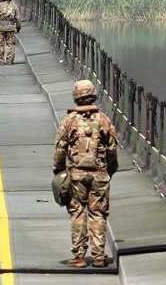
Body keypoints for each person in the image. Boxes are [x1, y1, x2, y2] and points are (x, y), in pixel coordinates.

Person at [53, 79, 119, 268]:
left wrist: (59, 172)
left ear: (76, 97)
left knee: (77, 213)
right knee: (98, 214)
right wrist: (110, 170)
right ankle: (99, 257)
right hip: (100, 175)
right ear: (93, 95)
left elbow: (60, 149)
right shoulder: (104, 120)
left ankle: (79, 256)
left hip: (76, 176)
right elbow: (112, 150)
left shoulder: (69, 120)